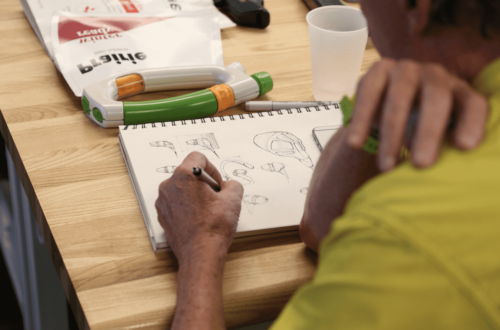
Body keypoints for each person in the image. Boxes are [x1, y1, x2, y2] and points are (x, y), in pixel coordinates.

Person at [155, 0, 500, 328]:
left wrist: (201, 243)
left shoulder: (399, 232)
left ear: (417, 7)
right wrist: (373, 116)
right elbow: (321, 230)